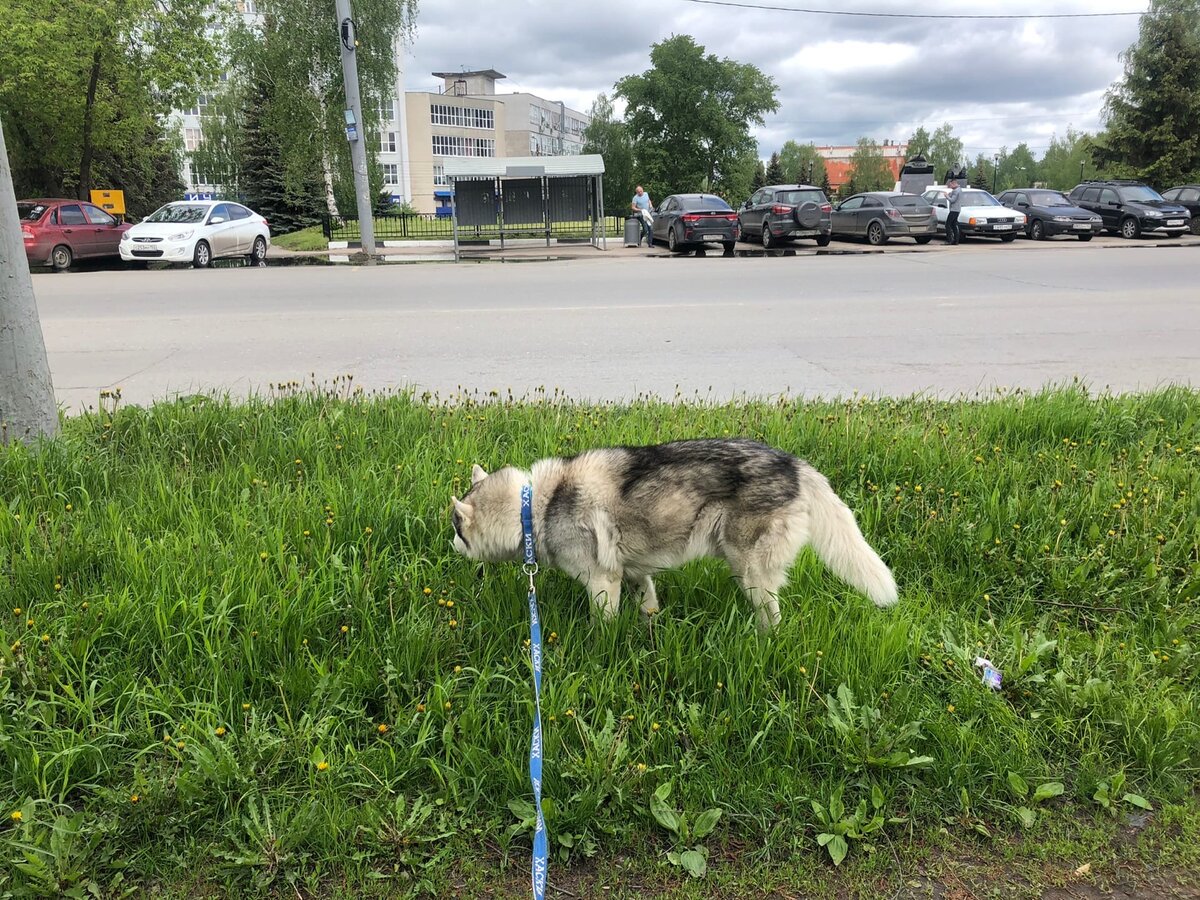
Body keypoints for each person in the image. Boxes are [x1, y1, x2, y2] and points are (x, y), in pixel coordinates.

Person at [945, 179, 962, 245]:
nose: (950, 186)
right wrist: (950, 194)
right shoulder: (959, 190)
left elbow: (952, 200)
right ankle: (956, 241)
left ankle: (950, 240)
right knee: (954, 225)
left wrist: (947, 196)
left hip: (953, 210)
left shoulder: (956, 191)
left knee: (947, 224)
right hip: (957, 209)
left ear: (954, 183)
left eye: (951, 184)